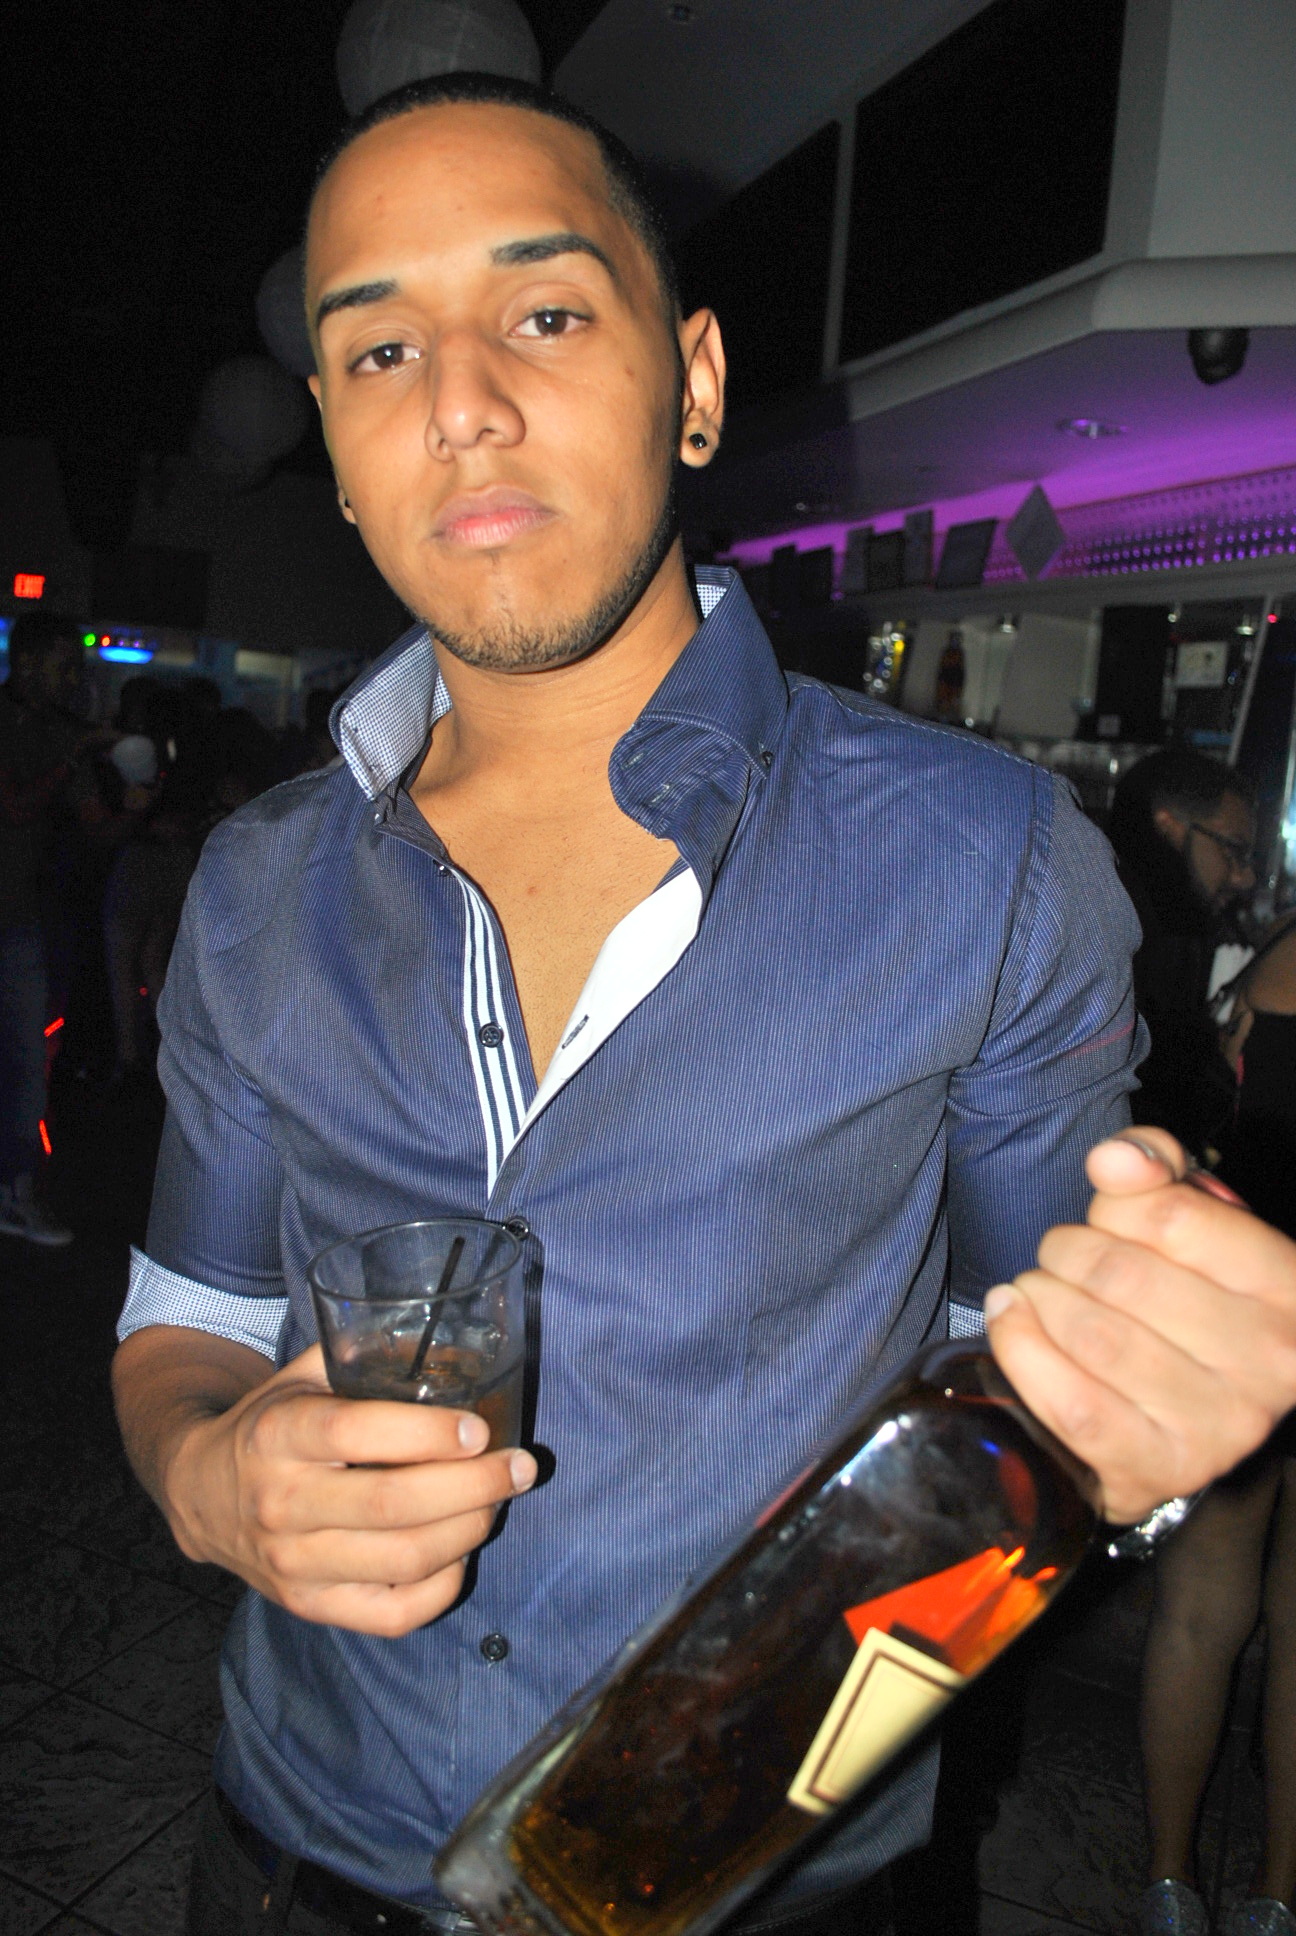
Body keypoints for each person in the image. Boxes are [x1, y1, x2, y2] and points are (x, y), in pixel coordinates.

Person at [108, 72, 1260, 1936]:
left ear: (698, 382)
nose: (461, 403)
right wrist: (205, 1471)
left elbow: (1032, 1405)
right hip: (292, 1856)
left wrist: (1150, 1386)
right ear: (333, 436)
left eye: (546, 313)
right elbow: (191, 1322)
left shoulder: (985, 860)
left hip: (767, 1881)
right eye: (381, 349)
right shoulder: (252, 887)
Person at [1107, 748, 1256, 1159]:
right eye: (1233, 850)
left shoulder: (1178, 926)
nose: (1244, 876)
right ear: (1169, 825)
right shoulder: (1117, 929)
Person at [0, 612, 92, 1245]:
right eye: (64, 666)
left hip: (27, 917)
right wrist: (72, 760)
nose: (72, 679)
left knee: (27, 1061)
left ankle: (17, 1193)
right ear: (28, 663)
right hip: (17, 917)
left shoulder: (62, 730)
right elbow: (15, 806)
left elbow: (89, 823)